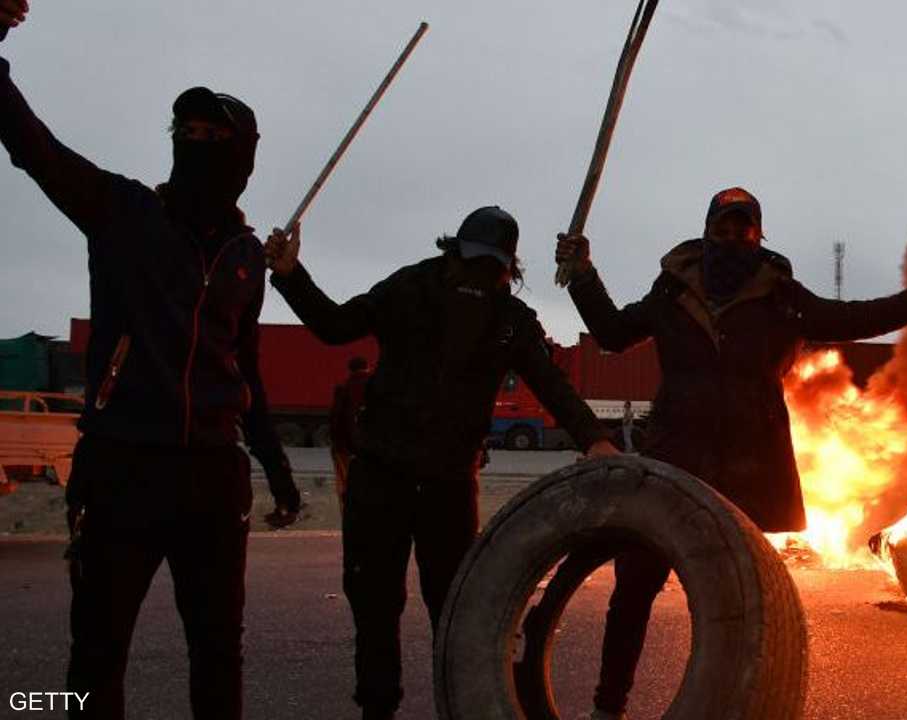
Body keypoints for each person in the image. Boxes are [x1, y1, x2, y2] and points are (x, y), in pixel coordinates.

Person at [555, 186, 907, 719]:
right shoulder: (671, 290)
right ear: (707, 231)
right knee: (635, 584)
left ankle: (736, 704)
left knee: (738, 601)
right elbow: (613, 334)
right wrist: (582, 276)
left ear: (758, 235)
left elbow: (851, 318)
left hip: (746, 470)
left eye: (743, 228)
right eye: (723, 228)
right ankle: (606, 707)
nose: (732, 238)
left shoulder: (780, 296)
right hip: (674, 456)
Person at [0, 6, 300, 718]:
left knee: (219, 658)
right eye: (184, 133)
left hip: (212, 477)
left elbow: (246, 370)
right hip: (121, 467)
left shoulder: (245, 257)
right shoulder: (121, 213)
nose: (195, 143)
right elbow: (32, 146)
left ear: (243, 154)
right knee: (95, 660)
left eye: (212, 135)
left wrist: (278, 473)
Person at [264, 206, 620, 720]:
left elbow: (552, 385)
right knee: (378, 604)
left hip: (445, 484)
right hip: (386, 476)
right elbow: (336, 326)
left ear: (507, 269)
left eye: (491, 268)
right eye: (473, 263)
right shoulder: (416, 289)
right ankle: (379, 709)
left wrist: (595, 440)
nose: (478, 278)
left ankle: (455, 708)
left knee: (453, 610)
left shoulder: (507, 320)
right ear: (453, 252)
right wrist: (291, 274)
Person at [328, 355, 371, 514]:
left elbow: (335, 419)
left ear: (350, 370)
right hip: (371, 447)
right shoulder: (377, 388)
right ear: (368, 367)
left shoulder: (343, 388)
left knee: (345, 482)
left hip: (344, 447)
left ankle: (349, 513)